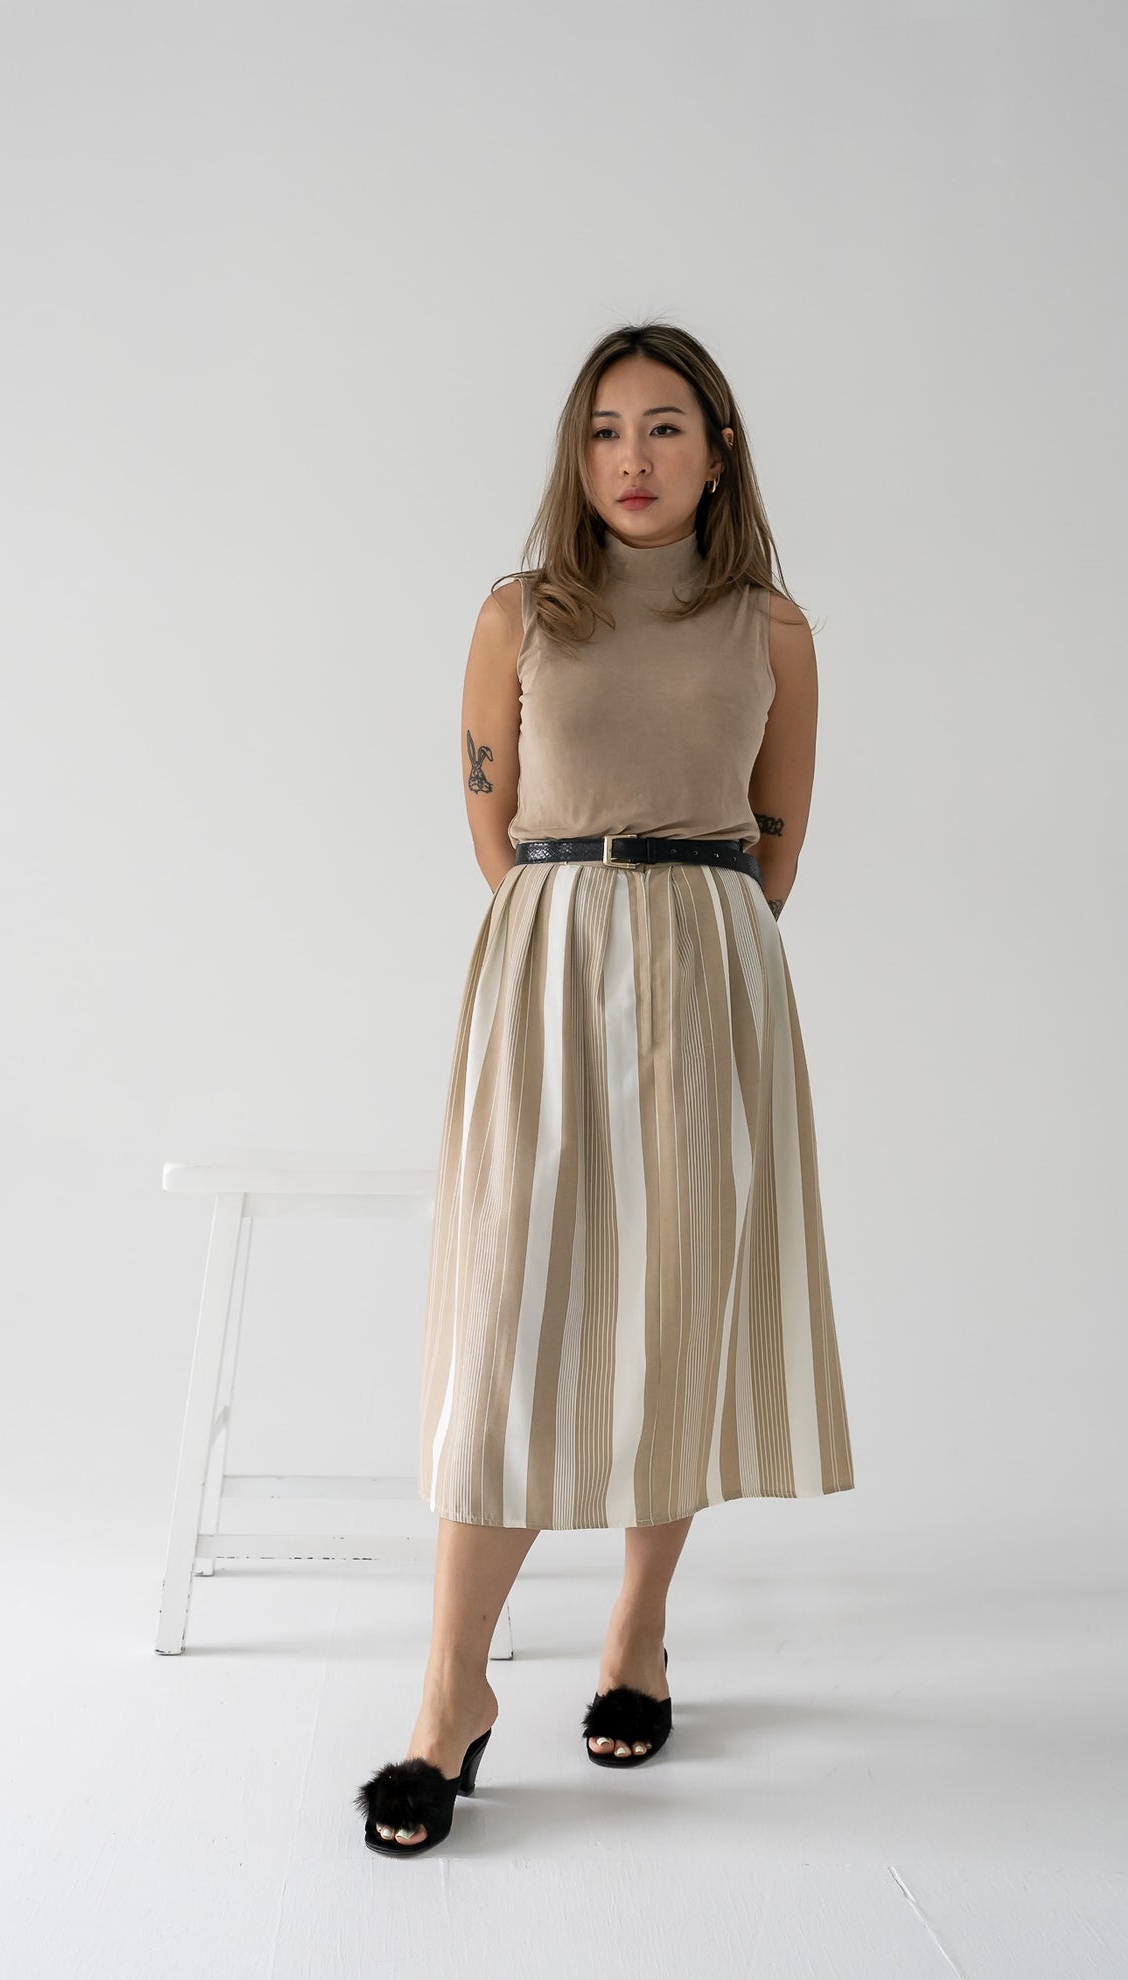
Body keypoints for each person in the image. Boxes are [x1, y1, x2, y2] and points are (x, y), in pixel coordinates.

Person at [354, 322, 856, 1857]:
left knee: (674, 1307)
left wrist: (688, 942)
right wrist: (570, 928)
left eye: (662, 429)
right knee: (511, 1318)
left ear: (718, 452)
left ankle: (635, 1634)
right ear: (574, 460)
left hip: (708, 972)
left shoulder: (770, 627)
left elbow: (778, 834)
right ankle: (450, 1696)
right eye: (601, 433)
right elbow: (488, 812)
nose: (629, 460)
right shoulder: (520, 613)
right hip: (550, 960)